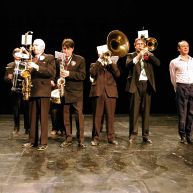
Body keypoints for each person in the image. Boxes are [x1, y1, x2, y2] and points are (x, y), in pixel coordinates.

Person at [22, 38, 56, 151]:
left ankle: (43, 142)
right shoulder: (31, 58)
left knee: (43, 118)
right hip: (32, 90)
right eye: (33, 45)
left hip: (43, 91)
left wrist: (36, 66)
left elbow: (50, 72)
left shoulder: (49, 57)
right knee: (32, 118)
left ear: (43, 47)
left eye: (36, 45)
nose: (33, 47)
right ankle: (32, 141)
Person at [125, 37, 160, 144]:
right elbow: (128, 65)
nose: (140, 46)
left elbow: (158, 63)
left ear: (144, 45)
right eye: (138, 44)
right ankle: (133, 135)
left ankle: (145, 135)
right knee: (134, 111)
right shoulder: (130, 55)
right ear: (135, 46)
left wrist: (149, 54)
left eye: (142, 44)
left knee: (146, 112)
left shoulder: (148, 55)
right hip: (135, 85)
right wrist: (139, 56)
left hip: (147, 85)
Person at [89, 45, 120, 146]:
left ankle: (111, 138)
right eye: (102, 53)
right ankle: (96, 138)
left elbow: (118, 74)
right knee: (97, 117)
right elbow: (92, 73)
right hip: (98, 93)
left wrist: (110, 61)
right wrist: (99, 60)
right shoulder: (95, 64)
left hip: (110, 93)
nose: (104, 54)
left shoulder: (112, 64)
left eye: (105, 53)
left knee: (110, 117)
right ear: (99, 54)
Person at [58, 38, 87, 148]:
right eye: (63, 49)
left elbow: (82, 76)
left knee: (79, 116)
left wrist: (68, 73)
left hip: (76, 93)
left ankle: (81, 140)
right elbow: (57, 74)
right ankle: (68, 138)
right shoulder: (59, 60)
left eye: (67, 49)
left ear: (72, 49)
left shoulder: (80, 59)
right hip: (64, 92)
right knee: (66, 117)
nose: (65, 51)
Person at [169, 40, 193, 144]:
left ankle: (189, 135)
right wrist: (177, 88)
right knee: (182, 113)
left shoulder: (192, 60)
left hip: (192, 87)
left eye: (187, 46)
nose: (186, 48)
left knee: (191, 113)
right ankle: (182, 135)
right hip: (181, 87)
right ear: (179, 49)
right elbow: (173, 77)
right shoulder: (174, 62)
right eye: (183, 46)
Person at [4, 47, 30, 135]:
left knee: (26, 110)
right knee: (16, 110)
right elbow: (5, 78)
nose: (18, 55)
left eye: (20, 53)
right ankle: (16, 127)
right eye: (16, 53)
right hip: (14, 90)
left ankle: (27, 128)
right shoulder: (10, 65)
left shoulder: (25, 64)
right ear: (13, 55)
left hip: (23, 89)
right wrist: (8, 77)